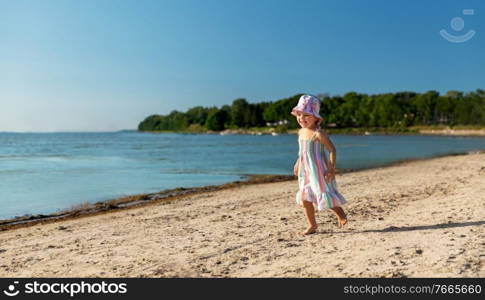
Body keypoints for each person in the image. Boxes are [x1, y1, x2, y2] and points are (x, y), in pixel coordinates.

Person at [291, 94, 348, 235]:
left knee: (321, 195)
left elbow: (332, 150)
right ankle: (312, 225)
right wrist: (298, 163)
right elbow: (302, 152)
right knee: (305, 197)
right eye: (299, 115)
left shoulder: (318, 134)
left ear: (316, 118)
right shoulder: (301, 132)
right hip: (306, 171)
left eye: (306, 115)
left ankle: (340, 212)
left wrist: (331, 169)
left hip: (318, 171)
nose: (301, 118)